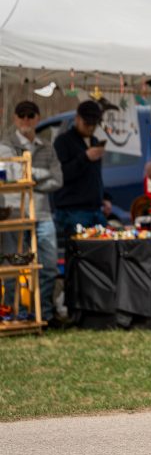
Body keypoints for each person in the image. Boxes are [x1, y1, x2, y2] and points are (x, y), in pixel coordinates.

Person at [0, 101, 63, 323]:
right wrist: (38, 174)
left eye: (30, 115)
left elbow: (57, 180)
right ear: (15, 118)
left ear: (37, 118)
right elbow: (13, 174)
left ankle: (42, 313)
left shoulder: (47, 146)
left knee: (48, 265)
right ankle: (12, 313)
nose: (26, 119)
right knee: (12, 268)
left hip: (42, 214)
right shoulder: (6, 145)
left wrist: (30, 179)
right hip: (15, 214)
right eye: (21, 115)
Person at [53, 100, 108, 236]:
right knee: (78, 253)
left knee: (102, 252)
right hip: (73, 210)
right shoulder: (63, 142)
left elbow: (95, 176)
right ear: (77, 119)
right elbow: (61, 174)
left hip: (95, 209)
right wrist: (85, 157)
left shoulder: (94, 141)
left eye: (94, 124)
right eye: (87, 123)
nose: (90, 127)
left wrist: (105, 198)